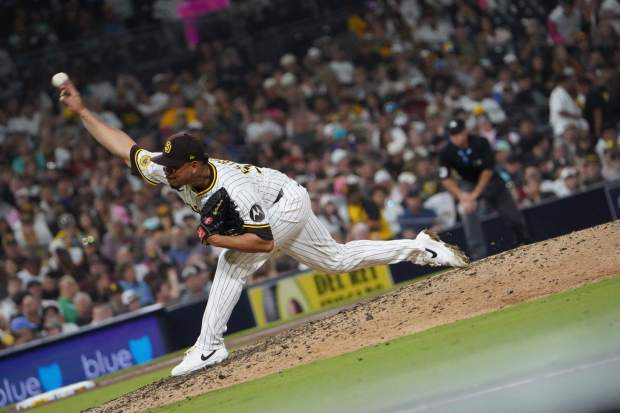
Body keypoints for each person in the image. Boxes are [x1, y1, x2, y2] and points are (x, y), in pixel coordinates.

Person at [57, 80, 468, 377]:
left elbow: (263, 241)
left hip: (280, 205)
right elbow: (123, 148)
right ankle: (421, 248)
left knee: (231, 261)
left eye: (174, 166)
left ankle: (209, 347)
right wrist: (83, 113)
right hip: (280, 198)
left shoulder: (233, 186)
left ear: (196, 165)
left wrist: (214, 238)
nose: (167, 172)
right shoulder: (175, 172)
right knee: (337, 260)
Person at [439, 119, 530, 260]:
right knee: (467, 210)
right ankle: (478, 254)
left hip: (491, 181)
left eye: (458, 133)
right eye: (452, 135)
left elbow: (487, 171)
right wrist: (463, 197)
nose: (455, 137)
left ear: (465, 131)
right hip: (467, 183)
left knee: (512, 214)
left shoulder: (481, 142)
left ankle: (524, 241)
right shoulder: (446, 152)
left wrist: (474, 195)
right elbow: (446, 178)